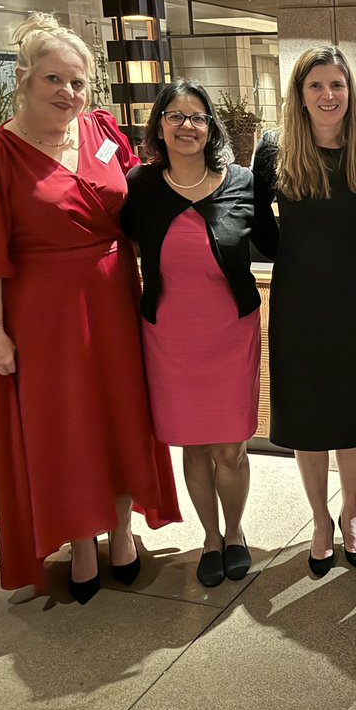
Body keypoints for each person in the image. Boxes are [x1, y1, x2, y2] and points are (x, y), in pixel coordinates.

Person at [0, 12, 180, 603]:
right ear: (24, 79)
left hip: (114, 299)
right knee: (68, 424)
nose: (68, 93)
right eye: (54, 80)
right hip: (43, 313)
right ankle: (81, 542)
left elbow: (135, 217)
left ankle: (123, 532)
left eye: (77, 82)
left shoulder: (105, 131)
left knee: (122, 412)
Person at [121, 80, 275, 588]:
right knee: (192, 444)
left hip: (230, 332)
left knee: (230, 445)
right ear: (159, 126)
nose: (188, 125)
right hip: (169, 336)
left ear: (212, 129)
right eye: (176, 116)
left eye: (199, 117)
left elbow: (274, 242)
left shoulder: (241, 181)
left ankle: (235, 533)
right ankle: (210, 537)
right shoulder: (139, 186)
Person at [252, 46, 356, 577]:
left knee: (352, 416)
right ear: (300, 95)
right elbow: (257, 224)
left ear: (350, 91)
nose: (328, 95)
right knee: (306, 415)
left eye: (337, 85)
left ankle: (351, 515)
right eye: (316, 86)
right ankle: (318, 520)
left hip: (355, 297)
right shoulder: (275, 150)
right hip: (297, 297)